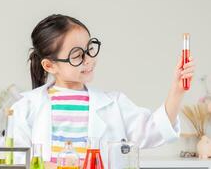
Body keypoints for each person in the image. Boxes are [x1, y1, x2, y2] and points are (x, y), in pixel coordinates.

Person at [11, 14, 195, 168]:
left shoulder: (114, 104)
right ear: (50, 65)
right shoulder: (25, 108)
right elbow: (17, 161)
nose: (89, 59)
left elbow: (155, 131)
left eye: (90, 49)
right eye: (77, 56)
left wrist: (177, 90)